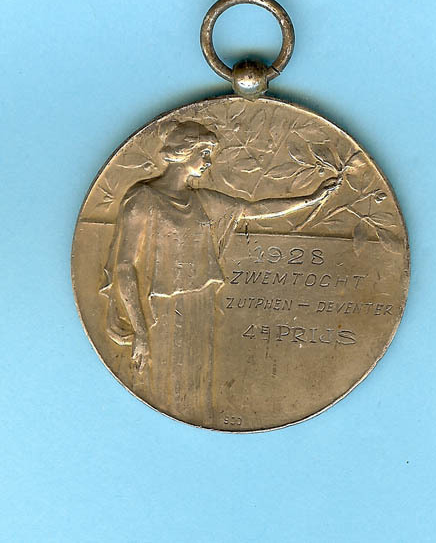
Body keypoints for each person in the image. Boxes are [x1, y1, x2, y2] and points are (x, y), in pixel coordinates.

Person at [101, 120, 339, 426]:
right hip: (160, 311)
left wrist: (312, 198)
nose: (208, 162)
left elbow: (253, 209)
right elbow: (125, 267)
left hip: (199, 306)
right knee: (162, 381)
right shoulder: (143, 199)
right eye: (204, 154)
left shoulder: (201, 200)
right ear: (184, 152)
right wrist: (141, 332)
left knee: (196, 380)